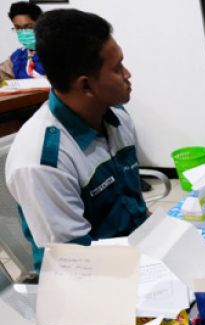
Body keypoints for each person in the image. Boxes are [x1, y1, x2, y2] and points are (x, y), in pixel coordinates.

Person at [5, 9, 147, 271]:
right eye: (117, 68)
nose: (128, 74)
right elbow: (75, 264)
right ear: (85, 86)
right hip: (89, 281)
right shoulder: (43, 161)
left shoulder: (117, 116)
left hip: (139, 255)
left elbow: (133, 206)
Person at [0, 2, 45, 81]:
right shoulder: (17, 56)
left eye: (28, 27)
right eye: (18, 28)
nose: (23, 32)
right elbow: (3, 74)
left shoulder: (56, 53)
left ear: (40, 24)